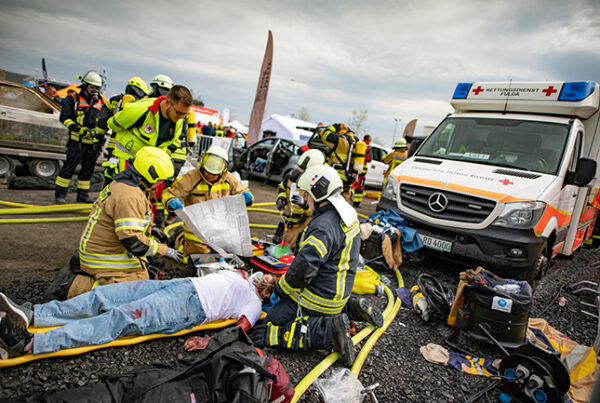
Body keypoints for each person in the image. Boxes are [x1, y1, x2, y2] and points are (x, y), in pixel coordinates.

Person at [251, 164, 383, 367]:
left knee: (271, 321)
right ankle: (350, 308)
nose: (306, 199)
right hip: (338, 293)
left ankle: (328, 332)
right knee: (321, 303)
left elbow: (303, 269)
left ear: (318, 194)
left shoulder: (323, 227)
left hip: (318, 300)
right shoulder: (347, 213)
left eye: (307, 195)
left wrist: (280, 289)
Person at [0, 270, 277, 358]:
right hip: (183, 285)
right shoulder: (241, 276)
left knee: (118, 319)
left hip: (190, 306)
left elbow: (240, 328)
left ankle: (30, 343)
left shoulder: (254, 303)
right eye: (266, 274)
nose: (264, 277)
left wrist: (209, 341)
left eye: (268, 281)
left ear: (266, 294)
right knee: (105, 296)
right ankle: (35, 314)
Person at [67, 146, 184, 299]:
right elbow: (134, 242)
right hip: (102, 258)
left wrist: (152, 228)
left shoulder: (125, 184)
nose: (161, 183)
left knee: (144, 270)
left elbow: (130, 220)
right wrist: (166, 251)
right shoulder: (130, 196)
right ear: (150, 174)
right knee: (138, 288)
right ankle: (80, 288)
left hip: (101, 250)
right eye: (160, 179)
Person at [162, 146, 254, 258]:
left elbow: (241, 191)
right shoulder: (191, 178)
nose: (210, 175)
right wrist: (170, 200)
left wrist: (246, 197)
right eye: (207, 171)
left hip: (220, 226)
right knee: (199, 255)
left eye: (214, 174)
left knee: (227, 253)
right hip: (196, 228)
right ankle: (179, 239)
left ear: (223, 170)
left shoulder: (229, 179)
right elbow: (169, 193)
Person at [106, 85, 192, 180]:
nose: (181, 117)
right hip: (127, 162)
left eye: (185, 114)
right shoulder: (140, 109)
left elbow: (167, 144)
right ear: (167, 102)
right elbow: (113, 124)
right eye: (178, 112)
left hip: (148, 166)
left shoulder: (178, 121)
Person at [54, 71, 106, 204]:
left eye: (97, 88)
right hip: (76, 141)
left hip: (93, 143)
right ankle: (60, 195)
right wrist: (77, 128)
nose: (95, 91)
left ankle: (83, 195)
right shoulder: (73, 99)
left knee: (88, 171)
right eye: (92, 87)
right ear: (85, 86)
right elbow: (64, 118)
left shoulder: (102, 101)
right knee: (68, 168)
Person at [97, 76, 149, 185]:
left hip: (114, 147)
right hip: (130, 150)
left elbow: (102, 120)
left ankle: (107, 192)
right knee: (125, 179)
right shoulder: (142, 106)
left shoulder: (114, 101)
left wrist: (97, 138)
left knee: (110, 175)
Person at [275, 148, 325, 248]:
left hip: (304, 223)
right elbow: (282, 188)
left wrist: (305, 205)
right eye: (299, 170)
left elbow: (321, 210)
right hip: (289, 221)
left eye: (304, 172)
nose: (300, 174)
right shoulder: (292, 176)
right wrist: (281, 199)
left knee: (295, 248)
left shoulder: (319, 185)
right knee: (283, 248)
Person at [317, 123, 357, 200]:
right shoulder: (353, 141)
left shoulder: (340, 139)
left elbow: (324, 134)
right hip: (347, 176)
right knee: (344, 200)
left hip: (337, 174)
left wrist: (334, 126)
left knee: (330, 199)